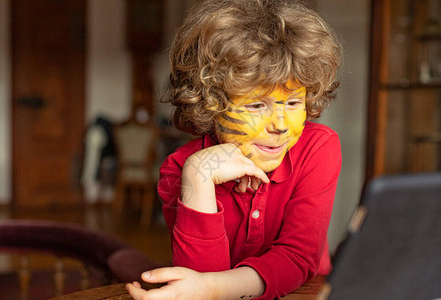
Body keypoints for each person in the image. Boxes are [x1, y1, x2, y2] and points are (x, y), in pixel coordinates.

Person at [126, 0, 342, 299]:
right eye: (256, 105)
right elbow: (201, 283)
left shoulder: (318, 147)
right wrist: (198, 179)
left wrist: (210, 288)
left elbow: (297, 259)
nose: (280, 125)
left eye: (293, 103)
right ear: (211, 104)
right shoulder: (181, 168)